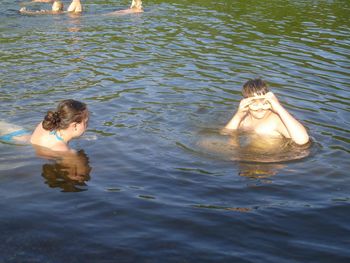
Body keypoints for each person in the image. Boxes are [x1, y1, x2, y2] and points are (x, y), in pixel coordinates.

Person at [223, 78, 309, 145]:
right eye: (254, 104)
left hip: (269, 162)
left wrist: (279, 108)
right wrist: (239, 114)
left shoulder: (276, 119)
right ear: (246, 103)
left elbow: (302, 140)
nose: (260, 107)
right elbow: (225, 135)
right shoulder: (244, 118)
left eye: (264, 103)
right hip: (247, 157)